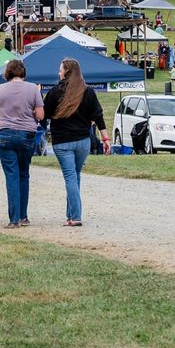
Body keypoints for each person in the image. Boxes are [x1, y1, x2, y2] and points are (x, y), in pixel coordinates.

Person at [44, 58, 108, 227]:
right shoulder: (88, 92)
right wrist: (105, 138)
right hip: (83, 141)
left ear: (66, 72)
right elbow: (98, 115)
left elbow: (45, 114)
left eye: (60, 70)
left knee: (70, 177)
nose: (58, 73)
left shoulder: (55, 92)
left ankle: (76, 216)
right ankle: (71, 214)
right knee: (75, 175)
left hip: (62, 142)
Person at [0, 59, 44, 229]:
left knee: (11, 176)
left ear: (7, 73)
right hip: (27, 134)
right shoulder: (33, 89)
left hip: (6, 134)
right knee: (24, 174)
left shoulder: (0, 89)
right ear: (23, 72)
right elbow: (41, 115)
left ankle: (13, 219)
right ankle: (23, 216)